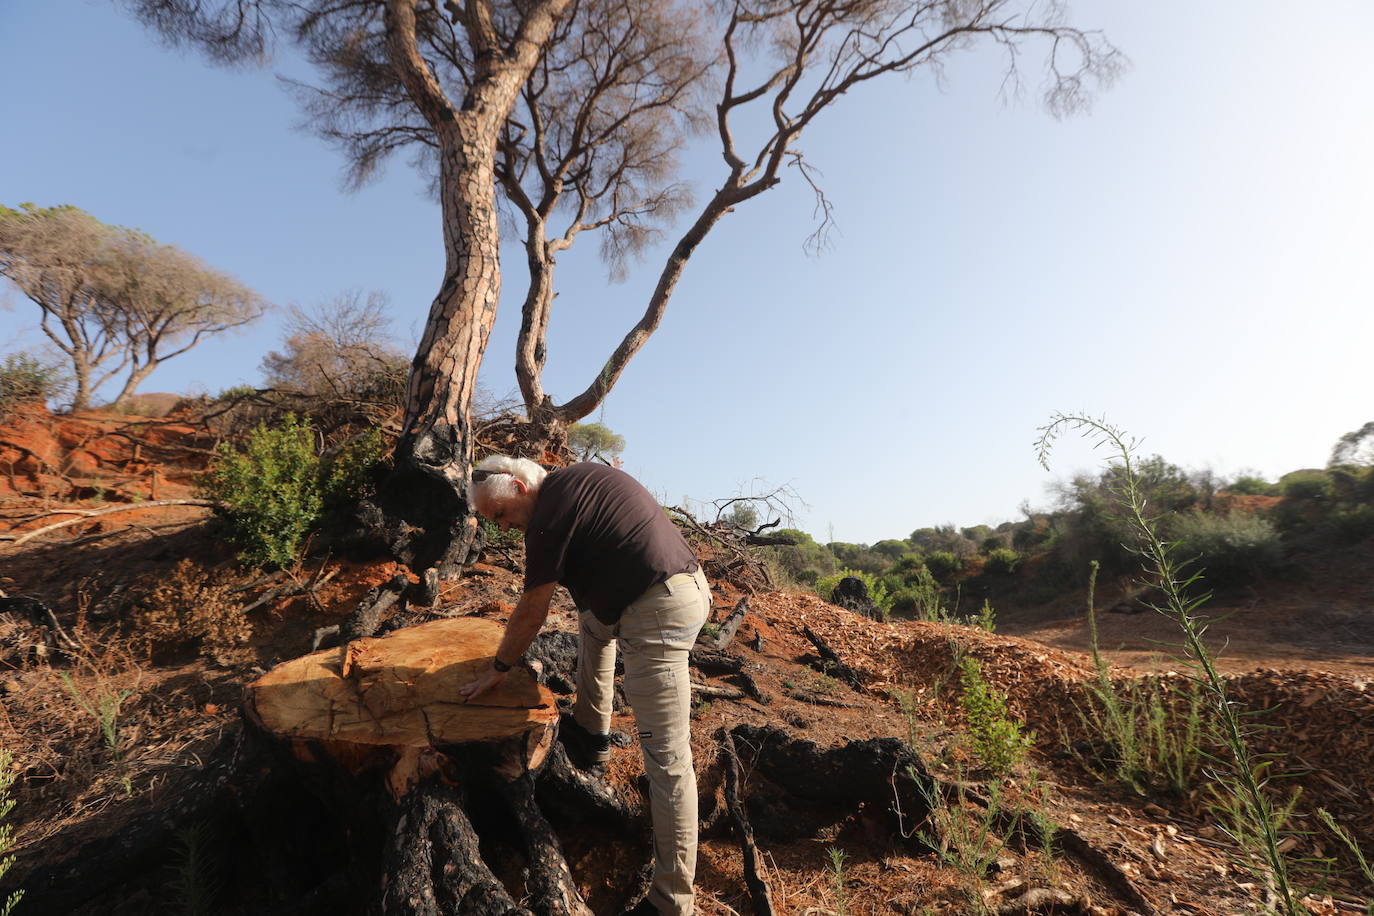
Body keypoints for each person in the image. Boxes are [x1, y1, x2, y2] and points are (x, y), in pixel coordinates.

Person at [460, 455, 711, 916]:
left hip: (657, 613)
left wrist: (498, 668)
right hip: (675, 586)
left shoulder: (548, 519)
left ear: (518, 487)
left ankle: (672, 901)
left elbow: (532, 610)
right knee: (592, 621)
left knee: (668, 759)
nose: (503, 527)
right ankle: (591, 733)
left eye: (500, 514)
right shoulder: (578, 479)